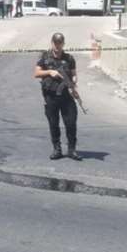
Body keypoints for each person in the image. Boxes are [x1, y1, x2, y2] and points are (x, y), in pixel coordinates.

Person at [33, 33, 82, 161]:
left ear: (63, 44)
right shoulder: (44, 57)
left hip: (66, 96)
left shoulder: (69, 58)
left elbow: (74, 74)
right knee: (53, 124)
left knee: (71, 123)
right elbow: (36, 73)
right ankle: (57, 149)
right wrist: (49, 72)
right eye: (55, 42)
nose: (57, 45)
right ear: (52, 43)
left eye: (60, 43)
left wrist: (73, 83)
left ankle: (72, 150)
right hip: (51, 97)